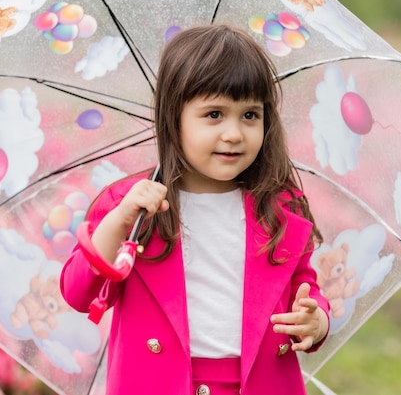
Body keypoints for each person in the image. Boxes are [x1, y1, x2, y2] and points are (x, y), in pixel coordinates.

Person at [60, 23, 330, 395]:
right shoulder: (135, 207)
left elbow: (305, 288)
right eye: (214, 115)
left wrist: (316, 321)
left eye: (250, 115)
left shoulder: (279, 207)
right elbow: (78, 293)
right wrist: (120, 221)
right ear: (174, 120)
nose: (234, 133)